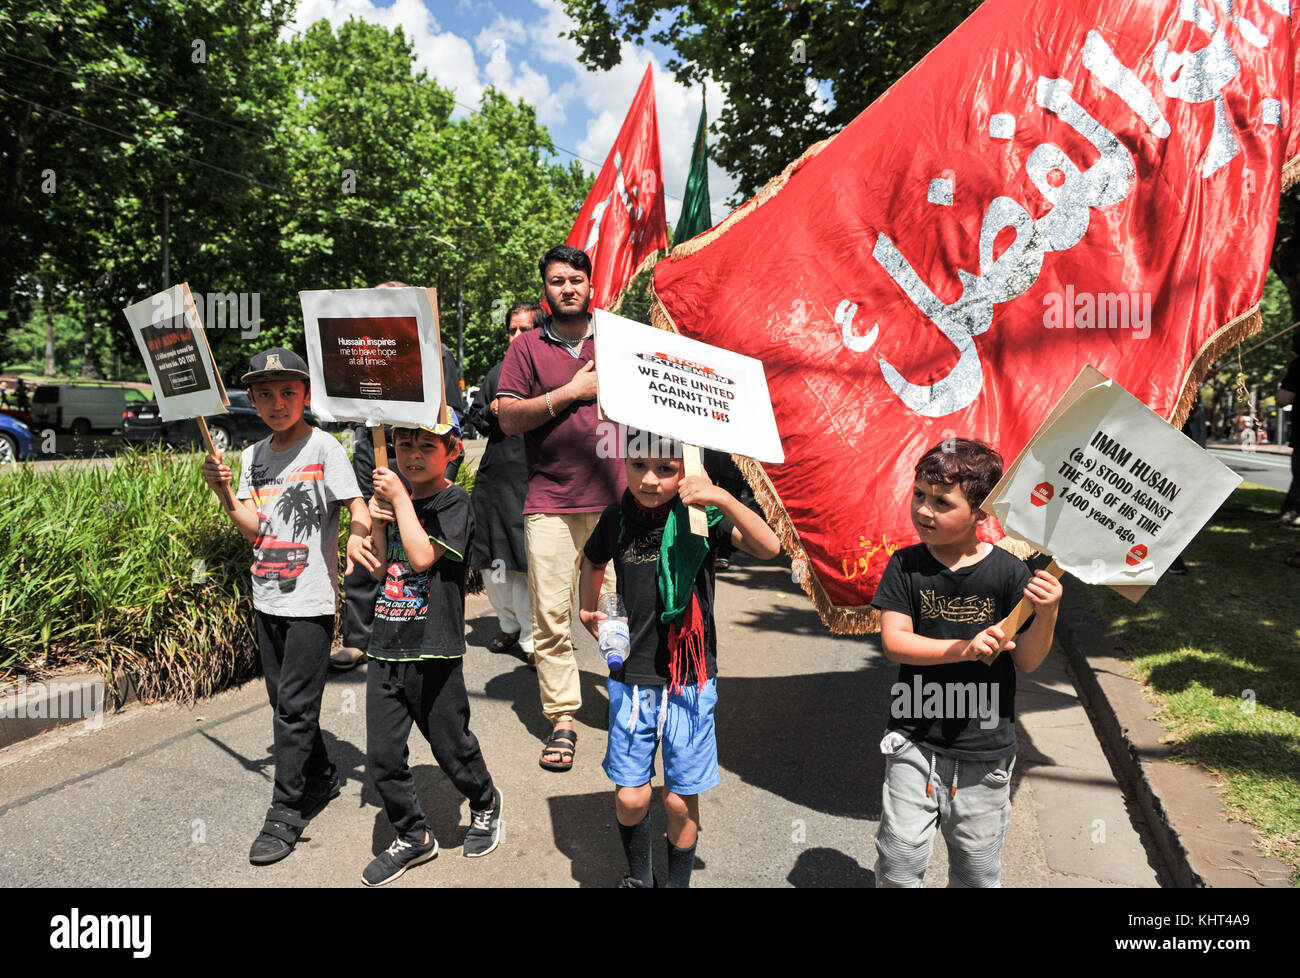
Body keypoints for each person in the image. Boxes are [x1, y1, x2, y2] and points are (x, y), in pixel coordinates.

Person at [578, 428, 780, 887]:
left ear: (686, 469)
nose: (650, 479)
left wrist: (721, 499)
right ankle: (639, 876)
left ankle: (677, 882)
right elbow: (593, 560)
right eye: (638, 466)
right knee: (631, 798)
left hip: (689, 678)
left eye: (666, 469)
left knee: (678, 799)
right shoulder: (616, 518)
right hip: (631, 674)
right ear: (623, 463)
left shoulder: (700, 516)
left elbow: (770, 547)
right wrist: (589, 609)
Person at [200, 347, 376, 865]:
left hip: (311, 600)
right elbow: (257, 528)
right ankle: (321, 775)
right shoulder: (252, 457)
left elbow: (357, 506)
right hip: (266, 595)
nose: (278, 403)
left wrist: (355, 539)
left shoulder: (325, 449)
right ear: (252, 399)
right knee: (285, 705)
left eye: (288, 393)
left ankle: (286, 810)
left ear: (305, 395)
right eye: (266, 394)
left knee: (295, 709)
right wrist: (226, 497)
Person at [871, 438, 1062, 888]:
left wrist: (1048, 611)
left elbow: (1030, 661)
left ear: (981, 514)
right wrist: (965, 648)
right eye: (919, 495)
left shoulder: (1011, 573)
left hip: (985, 751)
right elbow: (895, 643)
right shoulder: (905, 565)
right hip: (913, 739)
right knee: (898, 862)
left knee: (976, 872)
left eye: (941, 502)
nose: (924, 510)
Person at [497, 245, 626, 771]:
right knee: (550, 617)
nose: (567, 288)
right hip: (550, 501)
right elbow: (506, 417)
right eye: (556, 281)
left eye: (576, 279)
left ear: (591, 285)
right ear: (545, 290)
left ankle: (628, 701)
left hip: (618, 502)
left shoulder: (619, 339)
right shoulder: (526, 347)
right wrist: (569, 393)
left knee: (612, 614)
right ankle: (564, 719)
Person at [361, 412, 503, 885]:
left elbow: (422, 557)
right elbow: (381, 570)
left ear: (452, 452)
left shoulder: (454, 501)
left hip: (434, 649)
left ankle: (483, 801)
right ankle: (413, 836)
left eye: (427, 446)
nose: (413, 455)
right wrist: (375, 523)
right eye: (404, 445)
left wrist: (398, 499)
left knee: (451, 745)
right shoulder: (391, 500)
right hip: (386, 645)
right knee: (382, 755)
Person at [466, 301, 540, 665]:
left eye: (525, 329)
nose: (516, 336)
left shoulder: (549, 371)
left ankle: (530, 634)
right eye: (512, 330)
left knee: (525, 560)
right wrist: (492, 409)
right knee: (494, 558)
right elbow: (476, 419)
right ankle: (508, 623)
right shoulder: (496, 372)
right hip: (496, 480)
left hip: (535, 479)